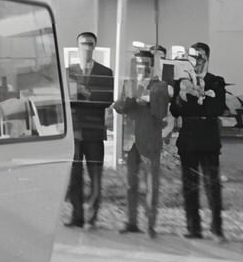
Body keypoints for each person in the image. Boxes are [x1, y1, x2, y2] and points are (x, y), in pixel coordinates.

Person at [172, 42, 228, 240]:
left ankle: (217, 227)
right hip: (188, 138)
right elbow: (176, 110)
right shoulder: (181, 81)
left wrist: (197, 97)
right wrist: (181, 96)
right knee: (190, 185)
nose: (196, 61)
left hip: (208, 138)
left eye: (200, 57)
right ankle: (193, 227)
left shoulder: (216, 81)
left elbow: (217, 108)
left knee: (212, 185)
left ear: (207, 59)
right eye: (194, 57)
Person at [111, 48, 168, 236]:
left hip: (150, 141)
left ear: (151, 66)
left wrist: (149, 101)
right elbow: (119, 107)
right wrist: (127, 101)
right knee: (130, 184)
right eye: (138, 64)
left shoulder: (159, 86)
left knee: (151, 185)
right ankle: (131, 222)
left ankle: (151, 225)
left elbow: (161, 113)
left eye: (145, 64)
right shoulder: (129, 83)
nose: (141, 68)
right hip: (130, 142)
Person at [65, 31, 113, 228]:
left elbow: (107, 99)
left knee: (95, 176)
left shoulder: (105, 72)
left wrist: (87, 95)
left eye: (90, 44)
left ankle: (92, 216)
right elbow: (65, 100)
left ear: (95, 47)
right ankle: (77, 216)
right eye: (83, 43)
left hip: (94, 131)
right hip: (75, 132)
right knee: (74, 176)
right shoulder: (69, 71)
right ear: (77, 46)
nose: (86, 47)